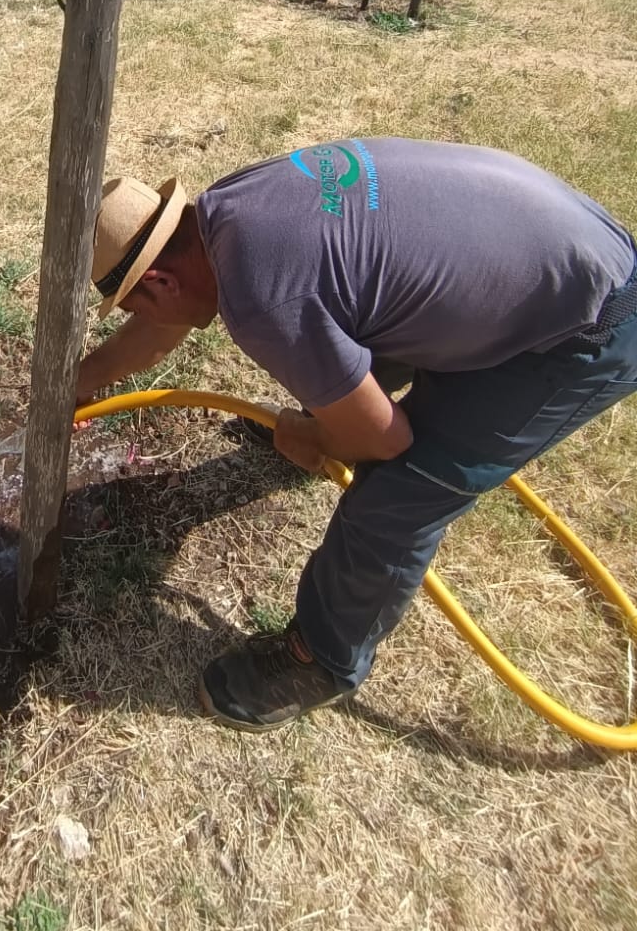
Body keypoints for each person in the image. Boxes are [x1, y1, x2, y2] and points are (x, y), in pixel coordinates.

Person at [78, 138, 637, 733]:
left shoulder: (267, 298)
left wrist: (319, 434)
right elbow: (163, 327)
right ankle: (337, 414)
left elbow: (387, 441)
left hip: (581, 328)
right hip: (563, 242)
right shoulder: (228, 208)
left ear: (162, 283)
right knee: (349, 322)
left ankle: (319, 661)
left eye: (133, 303)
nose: (144, 318)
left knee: (398, 491)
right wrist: (80, 382)